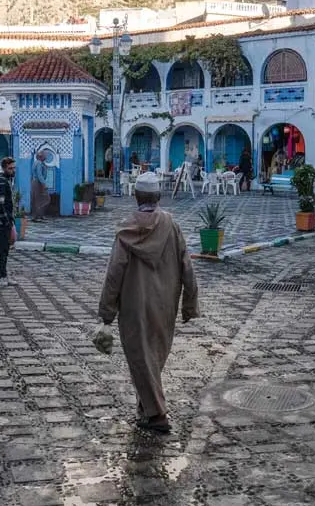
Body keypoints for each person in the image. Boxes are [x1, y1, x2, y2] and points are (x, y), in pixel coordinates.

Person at [98, 172, 198, 434]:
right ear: (158, 196)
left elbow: (114, 273)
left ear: (136, 196)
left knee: (141, 360)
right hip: (165, 305)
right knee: (152, 359)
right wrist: (190, 305)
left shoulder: (126, 231)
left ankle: (157, 415)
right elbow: (187, 266)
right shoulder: (171, 225)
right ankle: (146, 409)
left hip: (134, 307)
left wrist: (106, 313)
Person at [0, 157, 19, 288]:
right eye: (10, 168)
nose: (13, 171)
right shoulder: (1, 182)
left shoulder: (5, 180)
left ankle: (4, 275)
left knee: (6, 248)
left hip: (6, 218)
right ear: (4, 168)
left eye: (14, 168)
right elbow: (0, 202)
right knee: (2, 249)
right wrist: (7, 220)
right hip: (2, 219)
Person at [30, 150, 49, 223]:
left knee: (40, 199)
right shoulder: (38, 163)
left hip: (38, 182)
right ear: (41, 156)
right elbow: (39, 174)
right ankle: (35, 216)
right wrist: (44, 184)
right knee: (38, 199)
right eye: (44, 155)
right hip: (37, 182)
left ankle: (40, 215)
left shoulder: (40, 163)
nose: (46, 156)